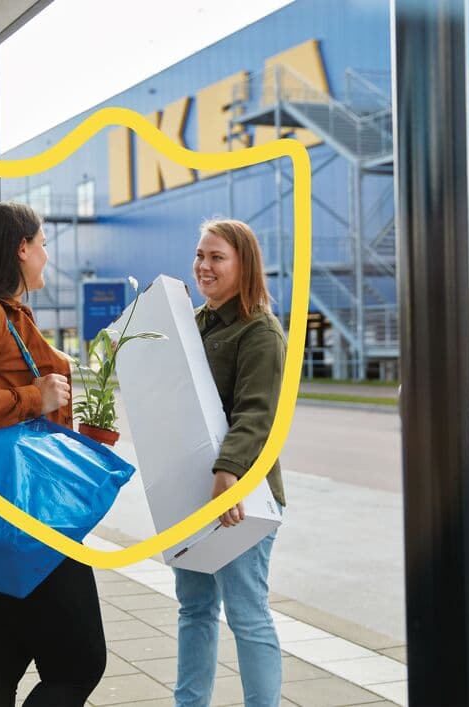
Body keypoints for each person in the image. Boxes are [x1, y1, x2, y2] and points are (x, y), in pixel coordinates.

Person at [0, 202, 106, 707]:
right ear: (21, 249)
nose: (48, 255)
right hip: (27, 517)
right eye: (43, 243)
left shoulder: (1, 313)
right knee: (77, 666)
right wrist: (36, 397)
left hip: (1, 512)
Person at [175, 219, 287, 707]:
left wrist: (230, 473)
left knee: (247, 613)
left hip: (237, 493)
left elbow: (257, 413)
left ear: (244, 265)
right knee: (194, 609)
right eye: (200, 255)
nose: (204, 266)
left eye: (217, 257)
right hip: (192, 492)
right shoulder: (191, 323)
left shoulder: (259, 331)